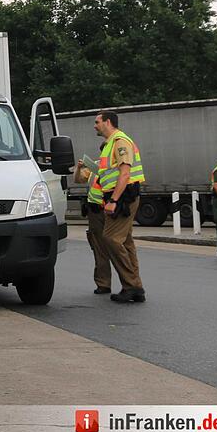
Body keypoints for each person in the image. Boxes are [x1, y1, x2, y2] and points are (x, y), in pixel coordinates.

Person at [93, 111, 146, 303]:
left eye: (97, 122)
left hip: (123, 197)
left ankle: (131, 286)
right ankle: (135, 286)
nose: (95, 125)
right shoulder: (110, 144)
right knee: (126, 241)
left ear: (108, 122)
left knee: (111, 238)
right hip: (121, 196)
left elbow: (124, 174)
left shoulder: (120, 142)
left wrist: (113, 200)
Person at [74, 142, 111, 294]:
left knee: (116, 248)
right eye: (103, 153)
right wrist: (79, 168)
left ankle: (129, 284)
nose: (104, 156)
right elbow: (78, 180)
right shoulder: (95, 166)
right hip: (95, 212)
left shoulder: (118, 166)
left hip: (112, 212)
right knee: (99, 248)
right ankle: (103, 284)